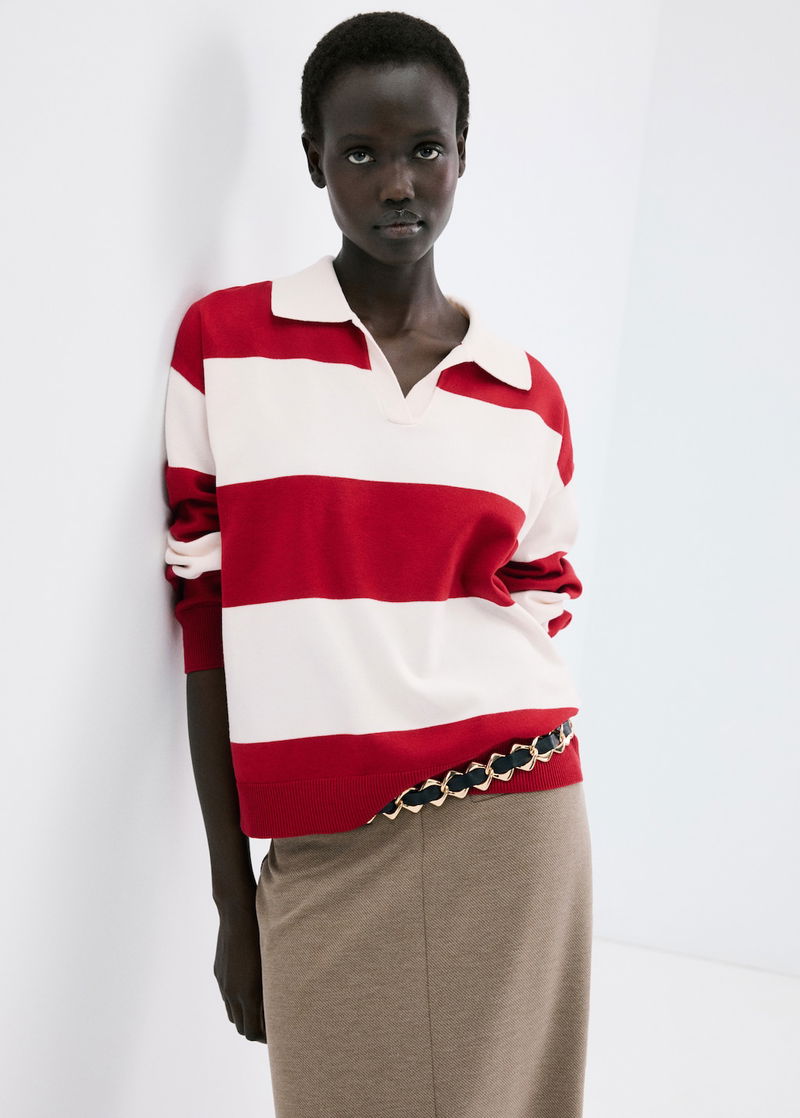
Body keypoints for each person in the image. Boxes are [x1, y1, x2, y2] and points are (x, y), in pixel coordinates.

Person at [163, 11, 592, 1117]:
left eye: (424, 149)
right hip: (320, 843)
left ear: (463, 152)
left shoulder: (525, 394)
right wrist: (233, 902)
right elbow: (205, 611)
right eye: (361, 152)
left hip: (511, 815)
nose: (398, 183)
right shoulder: (227, 344)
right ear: (315, 160)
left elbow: (540, 605)